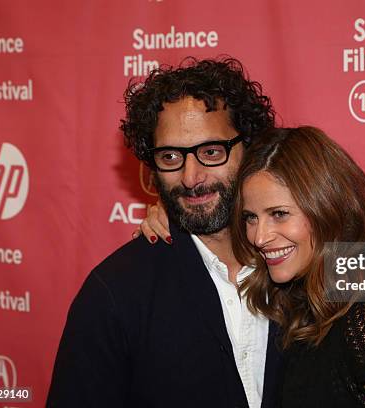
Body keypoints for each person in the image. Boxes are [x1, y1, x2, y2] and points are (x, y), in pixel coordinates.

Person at [140, 126, 365, 407]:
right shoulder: (313, 298)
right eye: (251, 217)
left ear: (328, 209)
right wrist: (179, 216)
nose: (260, 236)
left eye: (279, 214)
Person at [47, 57, 282, 408]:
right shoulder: (116, 292)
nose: (191, 177)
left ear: (251, 147)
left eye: (211, 152)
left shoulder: (300, 260)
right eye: (171, 157)